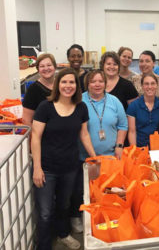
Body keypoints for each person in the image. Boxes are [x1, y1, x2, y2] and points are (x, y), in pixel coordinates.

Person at [31, 68, 96, 250]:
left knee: (63, 205)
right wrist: (37, 167)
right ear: (58, 84)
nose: (68, 86)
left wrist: (95, 157)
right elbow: (35, 136)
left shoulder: (81, 107)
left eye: (72, 82)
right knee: (44, 212)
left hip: (70, 167)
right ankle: (43, 246)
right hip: (47, 168)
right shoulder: (46, 107)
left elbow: (84, 135)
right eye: (64, 82)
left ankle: (62, 234)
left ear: (77, 86)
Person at [127, 74, 159, 147]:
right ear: (142, 86)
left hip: (158, 147)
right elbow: (132, 132)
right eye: (146, 84)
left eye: (152, 83)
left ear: (157, 85)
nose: (150, 87)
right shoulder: (133, 106)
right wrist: (134, 150)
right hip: (140, 146)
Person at [22, 53, 57, 126]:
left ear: (55, 67)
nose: (46, 68)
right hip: (43, 135)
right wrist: (35, 136)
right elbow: (26, 120)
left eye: (49, 65)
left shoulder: (61, 84)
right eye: (42, 66)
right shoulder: (33, 90)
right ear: (38, 70)